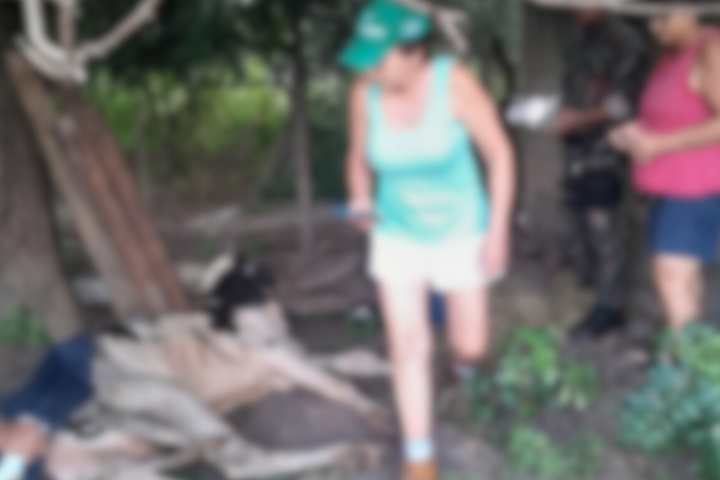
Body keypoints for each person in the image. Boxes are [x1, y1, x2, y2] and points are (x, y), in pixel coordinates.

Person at [339, 1, 516, 479]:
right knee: (408, 346)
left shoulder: (454, 83)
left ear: (414, 51)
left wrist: (498, 229)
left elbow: (500, 154)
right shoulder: (364, 92)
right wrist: (360, 197)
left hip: (461, 226)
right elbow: (358, 156)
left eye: (378, 59)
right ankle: (419, 458)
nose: (368, 70)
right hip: (396, 230)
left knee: (470, 344)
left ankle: (461, 370)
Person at [609, 2, 720, 331]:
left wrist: (659, 144)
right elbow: (671, 114)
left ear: (690, 11)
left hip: (694, 189)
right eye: (651, 18)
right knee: (681, 278)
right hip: (668, 188)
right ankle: (696, 353)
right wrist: (636, 131)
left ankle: (686, 357)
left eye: (663, 17)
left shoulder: (710, 50)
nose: (654, 27)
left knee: (671, 276)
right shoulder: (670, 54)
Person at [547, 8, 649, 340]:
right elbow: (575, 88)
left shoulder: (625, 41)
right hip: (576, 145)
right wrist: (559, 113)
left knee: (603, 225)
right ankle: (585, 290)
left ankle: (609, 308)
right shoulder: (578, 39)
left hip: (608, 149)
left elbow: (627, 102)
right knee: (579, 216)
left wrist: (577, 118)